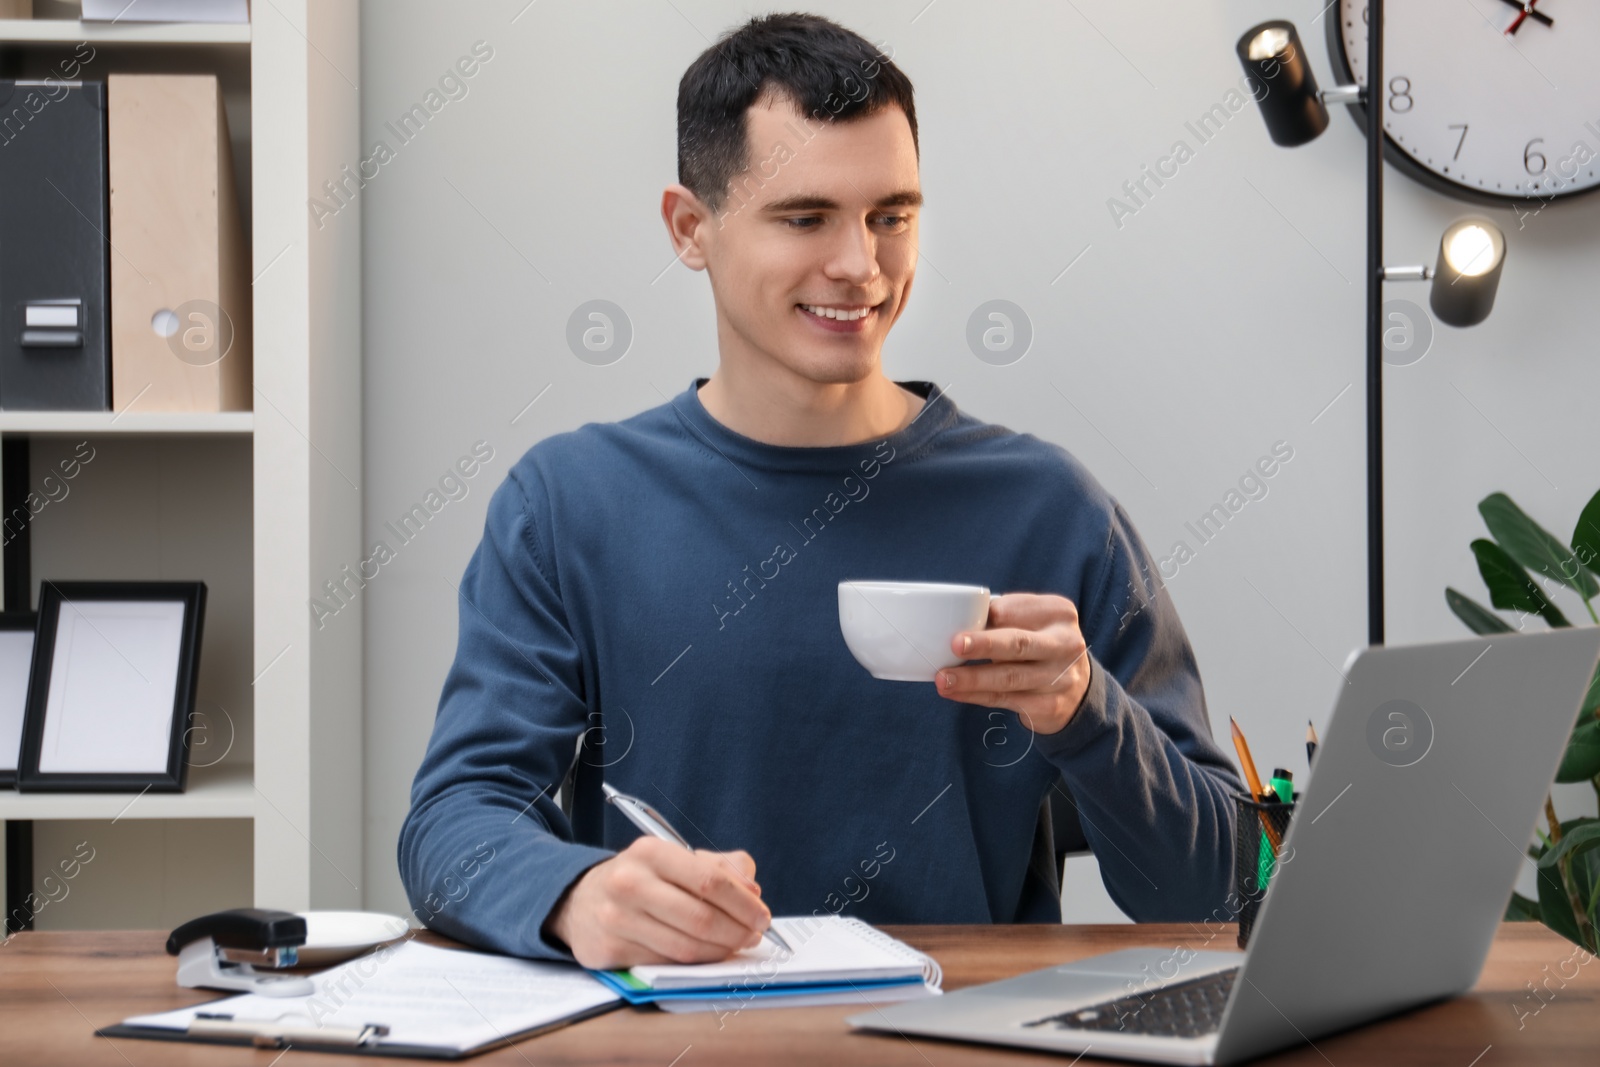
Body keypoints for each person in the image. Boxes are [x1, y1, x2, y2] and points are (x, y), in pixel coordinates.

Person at [398, 12, 1244, 970]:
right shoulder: (567, 505)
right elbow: (453, 822)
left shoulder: (1051, 509)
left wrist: (1086, 710)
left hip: (966, 1044)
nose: (862, 265)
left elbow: (1222, 887)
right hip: (679, 1036)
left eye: (892, 215)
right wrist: (571, 893)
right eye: (806, 218)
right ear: (690, 228)